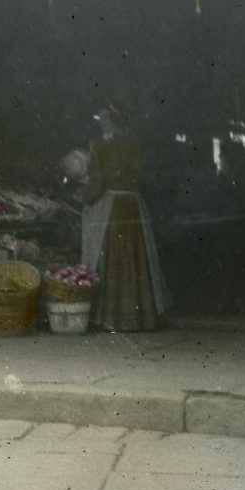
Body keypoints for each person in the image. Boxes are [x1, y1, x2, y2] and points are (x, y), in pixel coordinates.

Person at [80, 97, 170, 331]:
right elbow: (142, 175)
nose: (100, 122)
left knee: (111, 260)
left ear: (110, 120)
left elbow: (98, 181)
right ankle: (139, 317)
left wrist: (85, 197)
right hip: (133, 204)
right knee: (135, 260)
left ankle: (113, 317)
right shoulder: (135, 144)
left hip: (112, 207)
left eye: (103, 118)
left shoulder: (99, 146)